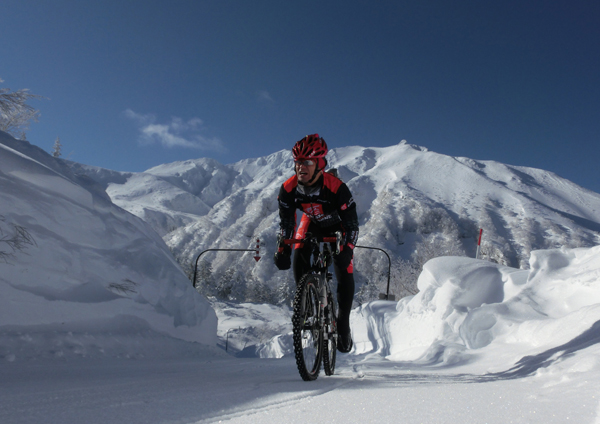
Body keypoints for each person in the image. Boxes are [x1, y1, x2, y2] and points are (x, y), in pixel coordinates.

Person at [274, 134, 359, 353]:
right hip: (311, 222)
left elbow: (352, 226)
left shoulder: (337, 188)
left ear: (320, 164)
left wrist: (347, 249)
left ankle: (343, 323)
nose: (301, 167)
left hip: (337, 226)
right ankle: (308, 304)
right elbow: (286, 223)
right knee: (298, 253)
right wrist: (282, 248)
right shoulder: (288, 189)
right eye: (298, 162)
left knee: (344, 268)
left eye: (307, 162)